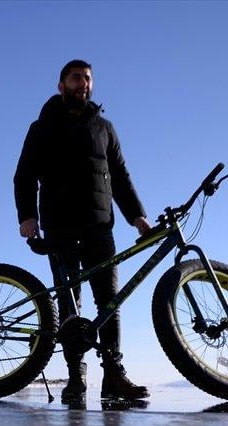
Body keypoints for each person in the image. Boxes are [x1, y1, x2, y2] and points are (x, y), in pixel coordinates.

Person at [14, 59, 151, 404]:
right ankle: (76, 378)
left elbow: (120, 177)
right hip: (59, 225)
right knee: (69, 303)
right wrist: (27, 216)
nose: (83, 83)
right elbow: (25, 175)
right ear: (61, 85)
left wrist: (138, 217)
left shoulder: (105, 128)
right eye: (76, 78)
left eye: (88, 78)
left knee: (110, 302)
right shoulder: (42, 126)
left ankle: (114, 376)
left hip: (100, 227)